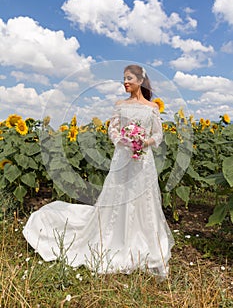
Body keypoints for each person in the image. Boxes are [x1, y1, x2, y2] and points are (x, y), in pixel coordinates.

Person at [23, 64, 174, 279]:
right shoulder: (120, 105)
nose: (125, 82)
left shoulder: (152, 108)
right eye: (124, 78)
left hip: (143, 160)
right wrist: (124, 140)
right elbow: (112, 130)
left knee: (143, 199)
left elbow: (158, 136)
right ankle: (115, 238)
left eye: (129, 78)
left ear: (140, 80)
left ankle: (142, 240)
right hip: (123, 157)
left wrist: (143, 141)